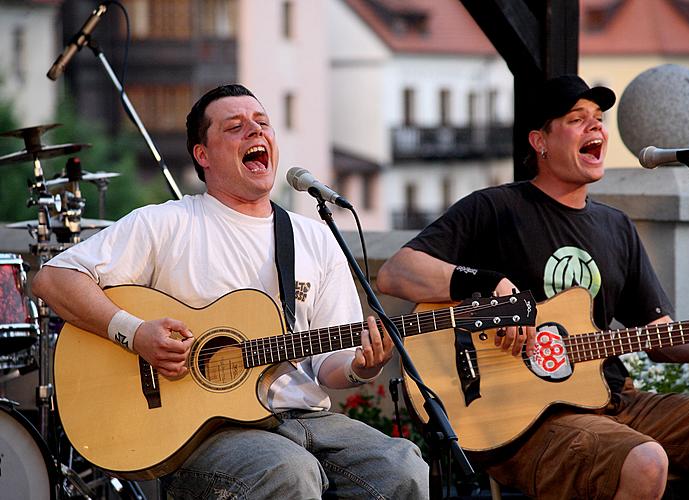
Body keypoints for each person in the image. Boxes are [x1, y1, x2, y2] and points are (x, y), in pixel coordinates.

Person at [33, 84, 429, 499]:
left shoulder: (316, 237)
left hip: (307, 418)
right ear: (202, 155)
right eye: (236, 127)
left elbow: (331, 365)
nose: (255, 133)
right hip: (208, 435)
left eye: (263, 124)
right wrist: (135, 333)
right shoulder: (166, 224)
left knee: (401, 469)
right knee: (289, 472)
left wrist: (361, 367)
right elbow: (53, 279)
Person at [377, 75, 689, 499]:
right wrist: (492, 285)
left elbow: (664, 340)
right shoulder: (496, 208)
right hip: (525, 420)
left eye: (598, 119)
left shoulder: (616, 226)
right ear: (540, 141)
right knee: (645, 461)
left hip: (611, 398)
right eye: (577, 119)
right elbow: (396, 272)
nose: (596, 128)